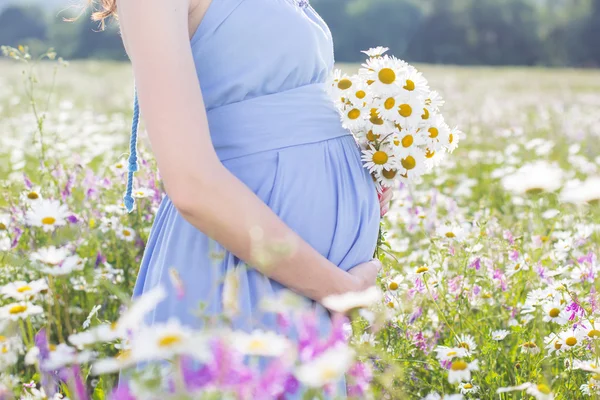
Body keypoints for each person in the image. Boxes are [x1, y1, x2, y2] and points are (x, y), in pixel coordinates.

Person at [99, 0, 392, 375]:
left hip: (309, 290)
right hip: (240, 277)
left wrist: (365, 165)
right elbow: (191, 183)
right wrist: (339, 290)